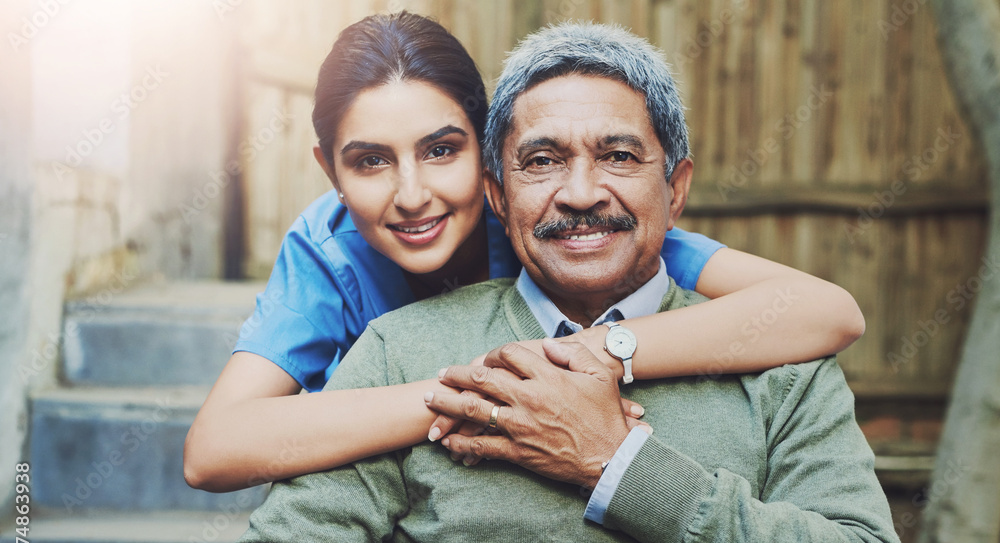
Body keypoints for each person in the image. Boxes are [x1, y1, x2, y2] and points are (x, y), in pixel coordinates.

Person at [220, 21, 910, 543]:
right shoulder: (399, 349)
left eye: (617, 156)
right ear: (497, 192)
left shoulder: (776, 360)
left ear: (675, 190)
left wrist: (622, 464)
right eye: (542, 160)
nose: (580, 193)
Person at [184, 11, 865, 493]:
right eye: (369, 162)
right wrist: (480, 394)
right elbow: (215, 451)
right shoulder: (329, 250)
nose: (412, 194)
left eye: (441, 150)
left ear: (492, 161)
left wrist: (602, 352)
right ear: (330, 171)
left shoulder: (564, 230)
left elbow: (823, 311)